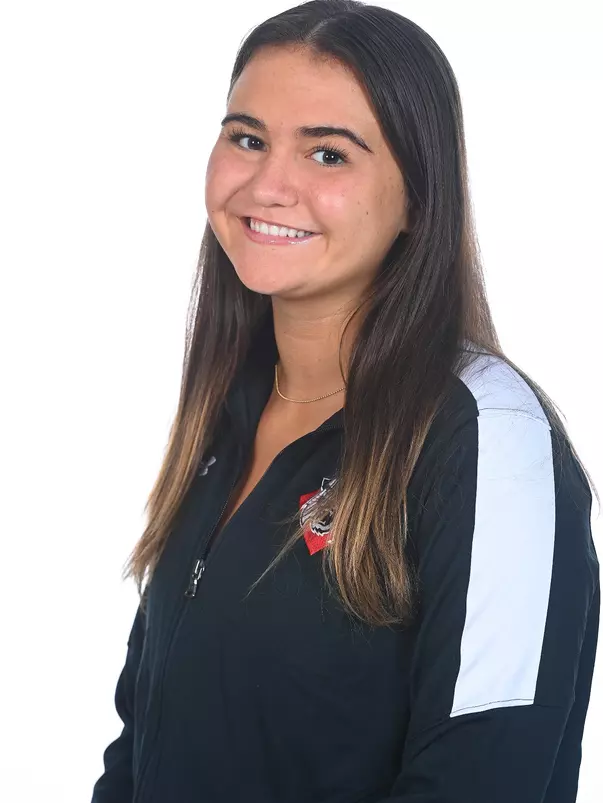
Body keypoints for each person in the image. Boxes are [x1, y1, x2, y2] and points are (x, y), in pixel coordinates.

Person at [90, 2, 600, 802]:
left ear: (417, 200)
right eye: (247, 138)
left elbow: (485, 773)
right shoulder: (224, 421)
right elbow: (141, 745)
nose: (268, 184)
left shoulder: (482, 437)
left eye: (328, 154)